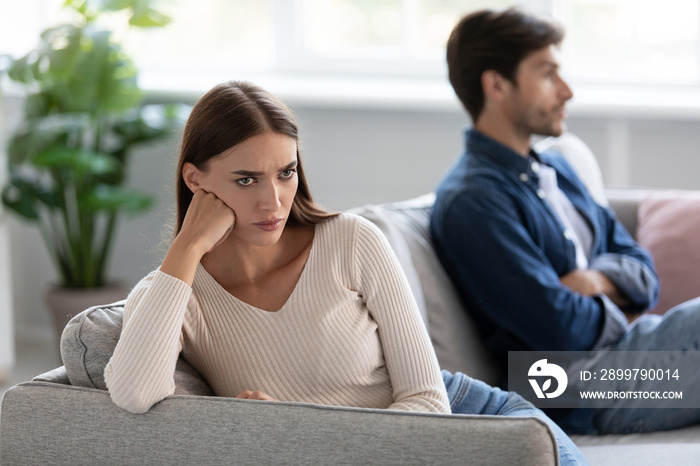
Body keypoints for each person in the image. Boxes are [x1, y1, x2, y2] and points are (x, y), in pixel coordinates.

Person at [104, 81, 587, 464]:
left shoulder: (350, 241)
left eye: (285, 173)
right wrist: (187, 247)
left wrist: (304, 434)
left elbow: (427, 401)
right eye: (245, 179)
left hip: (467, 415)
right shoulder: (173, 291)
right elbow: (134, 393)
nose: (272, 202)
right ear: (195, 180)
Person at [431, 7, 700, 436]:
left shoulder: (559, 170)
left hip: (629, 352)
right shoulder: (473, 200)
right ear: (496, 84)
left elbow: (643, 270)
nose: (567, 90)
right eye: (548, 74)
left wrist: (594, 282)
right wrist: (621, 300)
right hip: (577, 388)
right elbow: (559, 330)